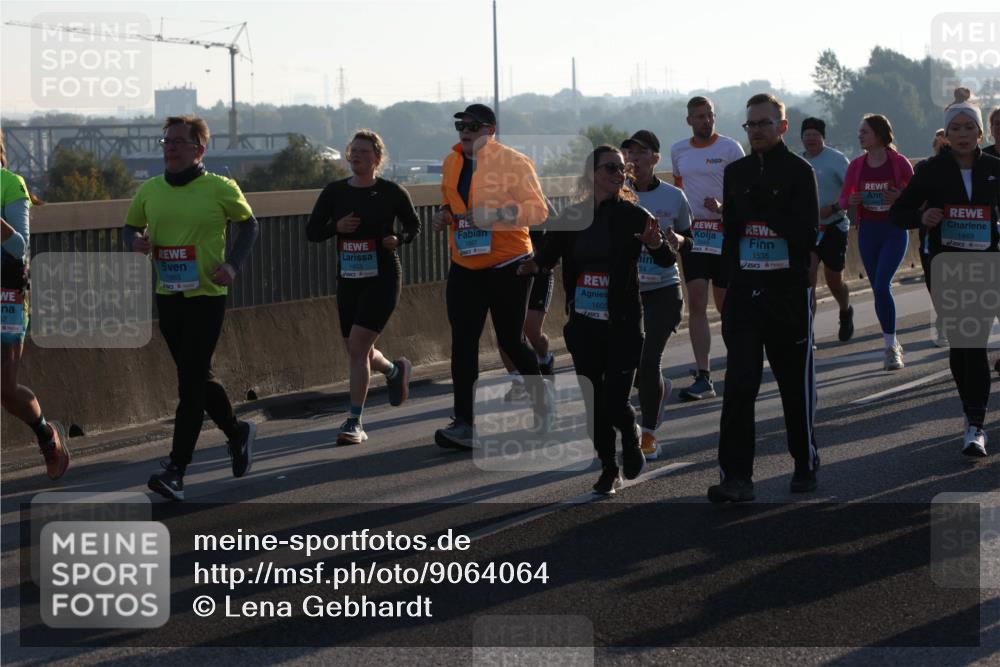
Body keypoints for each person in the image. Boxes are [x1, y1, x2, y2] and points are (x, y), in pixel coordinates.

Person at [519, 145, 675, 494]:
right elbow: (546, 257)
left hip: (623, 322)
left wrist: (655, 243)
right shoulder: (571, 217)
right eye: (609, 168)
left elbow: (665, 259)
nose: (618, 173)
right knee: (594, 401)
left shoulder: (635, 215)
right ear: (591, 174)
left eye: (622, 168)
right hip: (585, 324)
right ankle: (608, 467)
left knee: (615, 400)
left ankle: (632, 440)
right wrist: (532, 265)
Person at [125, 115, 259, 501]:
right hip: (168, 294)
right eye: (166, 141)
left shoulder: (220, 187)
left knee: (189, 382)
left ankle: (176, 470)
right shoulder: (149, 190)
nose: (170, 147)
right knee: (197, 375)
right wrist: (134, 241)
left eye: (179, 142)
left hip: (206, 296)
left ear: (199, 149)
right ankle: (237, 432)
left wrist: (233, 264)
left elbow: (250, 226)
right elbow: (130, 226)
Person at [708, 94, 820, 503]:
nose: (756, 130)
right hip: (744, 293)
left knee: (793, 385)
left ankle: (804, 461)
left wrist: (766, 209)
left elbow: (806, 235)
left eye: (764, 123)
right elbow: (732, 233)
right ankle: (736, 476)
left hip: (787, 293)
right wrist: (725, 283)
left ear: (782, 127)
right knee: (739, 383)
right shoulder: (735, 172)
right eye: (751, 124)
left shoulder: (799, 170)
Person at [432, 104, 551, 449]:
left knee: (511, 341)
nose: (465, 131)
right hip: (466, 264)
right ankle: (465, 424)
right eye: (461, 125)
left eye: (473, 125)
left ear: (491, 131)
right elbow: (451, 204)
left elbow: (538, 210)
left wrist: (496, 214)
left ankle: (544, 408)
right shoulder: (451, 162)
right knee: (463, 344)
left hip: (508, 263)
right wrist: (443, 216)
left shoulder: (514, 162)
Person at [891, 96, 999, 457]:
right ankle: (970, 412)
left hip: (986, 266)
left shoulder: (995, 169)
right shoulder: (931, 171)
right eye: (956, 128)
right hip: (945, 266)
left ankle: (975, 425)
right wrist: (922, 217)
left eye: (970, 127)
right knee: (961, 343)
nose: (964, 134)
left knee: (976, 340)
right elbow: (899, 213)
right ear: (947, 133)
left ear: (981, 132)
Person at [306, 130, 419, 445]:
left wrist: (399, 239)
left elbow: (414, 225)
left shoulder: (391, 191)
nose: (356, 156)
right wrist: (336, 228)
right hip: (349, 279)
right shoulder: (335, 192)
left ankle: (354, 421)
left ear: (377, 158)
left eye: (364, 152)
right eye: (353, 151)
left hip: (383, 278)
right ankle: (395, 372)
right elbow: (312, 231)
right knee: (358, 350)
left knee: (357, 347)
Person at [1, 130, 70, 480]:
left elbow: (18, 248)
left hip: (6, 297)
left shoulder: (10, 183)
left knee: (4, 388)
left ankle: (47, 436)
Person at [622, 130, 692, 459]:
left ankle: (647, 433)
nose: (633, 159)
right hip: (627, 292)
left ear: (655, 158)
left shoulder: (674, 197)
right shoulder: (615, 198)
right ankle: (659, 391)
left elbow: (689, 240)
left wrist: (677, 240)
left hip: (664, 288)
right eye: (628, 154)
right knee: (635, 364)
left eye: (641, 153)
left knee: (649, 361)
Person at [670, 96, 745, 401]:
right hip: (695, 234)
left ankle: (739, 363)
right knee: (697, 300)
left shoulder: (730, 148)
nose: (706, 120)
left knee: (727, 304)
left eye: (710, 115)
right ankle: (703, 375)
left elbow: (745, 189)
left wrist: (724, 206)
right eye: (699, 116)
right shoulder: (679, 150)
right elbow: (678, 191)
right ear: (689, 120)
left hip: (725, 233)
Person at [838, 114, 914, 370]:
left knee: (882, 285)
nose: (860, 136)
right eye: (860, 132)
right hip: (868, 231)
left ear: (880, 135)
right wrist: (852, 201)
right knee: (878, 289)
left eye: (865, 132)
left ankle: (892, 348)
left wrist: (900, 195)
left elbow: (917, 194)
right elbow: (842, 200)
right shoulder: (856, 166)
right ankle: (890, 342)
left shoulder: (899, 162)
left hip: (893, 229)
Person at [800, 117, 853, 340]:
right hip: (809, 231)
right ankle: (808, 335)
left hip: (834, 227)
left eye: (815, 135)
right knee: (808, 279)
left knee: (833, 279)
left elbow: (852, 193)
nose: (811, 139)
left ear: (823, 138)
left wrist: (831, 208)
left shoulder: (837, 160)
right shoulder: (798, 162)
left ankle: (845, 310)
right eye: (807, 135)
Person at [916, 129, 951, 348]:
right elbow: (912, 202)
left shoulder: (972, 167)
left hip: (961, 234)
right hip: (931, 235)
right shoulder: (924, 168)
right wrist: (923, 212)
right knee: (935, 282)